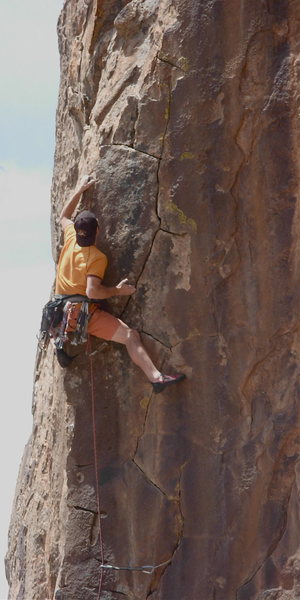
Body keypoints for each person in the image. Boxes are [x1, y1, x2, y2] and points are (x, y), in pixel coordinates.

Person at [54, 174, 186, 394]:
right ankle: (156, 378)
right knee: (130, 336)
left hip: (60, 311)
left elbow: (63, 216)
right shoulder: (96, 257)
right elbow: (92, 291)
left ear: (77, 231)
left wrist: (78, 190)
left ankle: (63, 345)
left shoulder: (70, 236)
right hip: (81, 313)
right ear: (98, 231)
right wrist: (118, 290)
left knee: (81, 323)